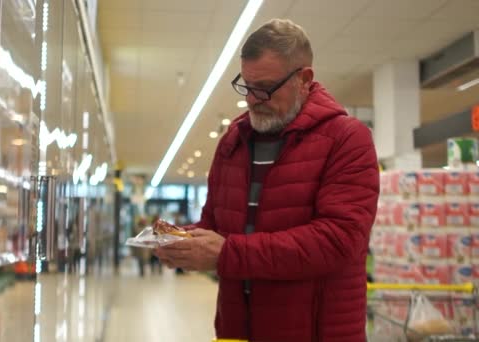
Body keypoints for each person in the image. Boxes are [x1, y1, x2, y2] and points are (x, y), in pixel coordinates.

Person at [154, 18, 379, 342]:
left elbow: (338, 240)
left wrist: (227, 253)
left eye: (265, 88)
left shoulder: (346, 139)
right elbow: (215, 226)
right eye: (246, 85)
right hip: (235, 328)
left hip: (316, 331)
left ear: (304, 79)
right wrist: (181, 243)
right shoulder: (233, 141)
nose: (253, 99)